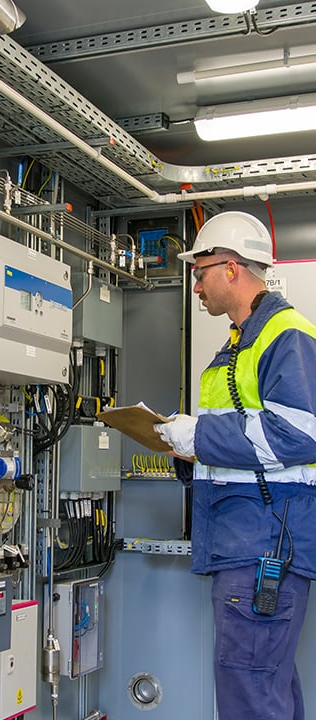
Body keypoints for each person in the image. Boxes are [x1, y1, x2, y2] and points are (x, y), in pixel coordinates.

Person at [154, 210, 316, 720]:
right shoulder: (239, 341)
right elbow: (245, 445)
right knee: (265, 687)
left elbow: (300, 433)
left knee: (250, 691)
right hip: (248, 538)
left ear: (230, 269)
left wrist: (198, 434)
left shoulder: (284, 335)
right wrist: (187, 451)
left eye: (199, 274)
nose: (196, 287)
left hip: (264, 541)